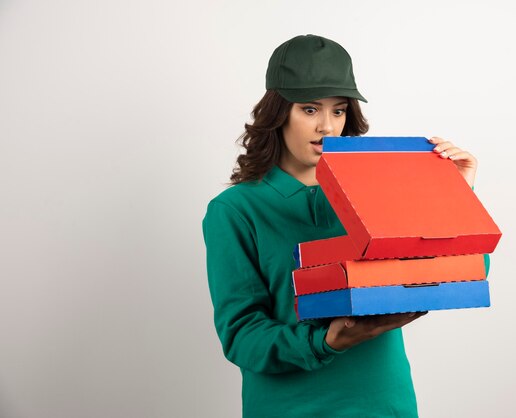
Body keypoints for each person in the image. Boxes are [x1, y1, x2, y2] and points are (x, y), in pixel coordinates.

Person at [203, 34, 483, 418]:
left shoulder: (380, 190)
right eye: (309, 109)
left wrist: (454, 196)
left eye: (338, 111)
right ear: (278, 113)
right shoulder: (235, 210)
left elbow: (466, 274)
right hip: (289, 408)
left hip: (383, 403)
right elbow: (242, 335)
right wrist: (327, 342)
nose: (327, 127)